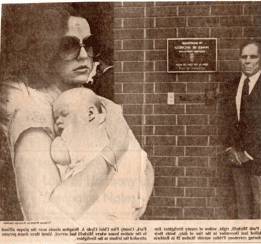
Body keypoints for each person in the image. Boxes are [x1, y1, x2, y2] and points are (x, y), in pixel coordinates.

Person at [0, 4, 154, 222]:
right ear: (46, 50)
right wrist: (115, 149)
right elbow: (43, 217)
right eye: (69, 45)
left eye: (89, 45)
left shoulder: (100, 103)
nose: (84, 55)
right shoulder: (32, 116)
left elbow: (144, 170)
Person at [51, 88, 147, 220]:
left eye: (64, 114)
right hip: (124, 200)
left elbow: (59, 155)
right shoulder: (113, 123)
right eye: (56, 118)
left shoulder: (78, 133)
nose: (58, 122)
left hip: (98, 202)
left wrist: (57, 140)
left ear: (90, 113)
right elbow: (142, 161)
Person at [223, 39, 261, 219]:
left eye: (253, 57)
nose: (248, 61)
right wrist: (229, 148)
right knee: (244, 216)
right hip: (238, 163)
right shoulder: (232, 86)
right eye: (244, 57)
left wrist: (249, 154)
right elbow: (226, 120)